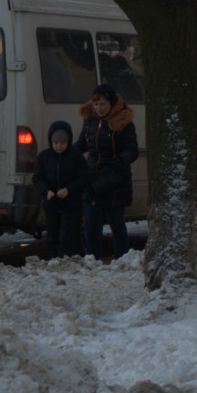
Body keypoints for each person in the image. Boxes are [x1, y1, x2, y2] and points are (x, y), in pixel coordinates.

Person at [78, 82, 139, 262]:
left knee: (116, 221)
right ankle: (92, 258)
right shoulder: (89, 120)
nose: (99, 108)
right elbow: (82, 144)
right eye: (96, 104)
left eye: (103, 104)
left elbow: (132, 151)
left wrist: (118, 160)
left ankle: (122, 258)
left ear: (112, 104)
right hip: (93, 178)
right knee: (90, 221)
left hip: (115, 179)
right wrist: (65, 152)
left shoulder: (124, 122)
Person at [33, 120, 86, 257]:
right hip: (51, 203)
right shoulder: (44, 157)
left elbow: (83, 178)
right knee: (52, 235)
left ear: (68, 142)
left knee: (68, 236)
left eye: (62, 143)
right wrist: (46, 191)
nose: (59, 146)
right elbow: (38, 178)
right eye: (56, 143)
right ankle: (54, 259)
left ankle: (67, 259)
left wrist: (68, 189)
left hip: (71, 204)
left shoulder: (76, 157)